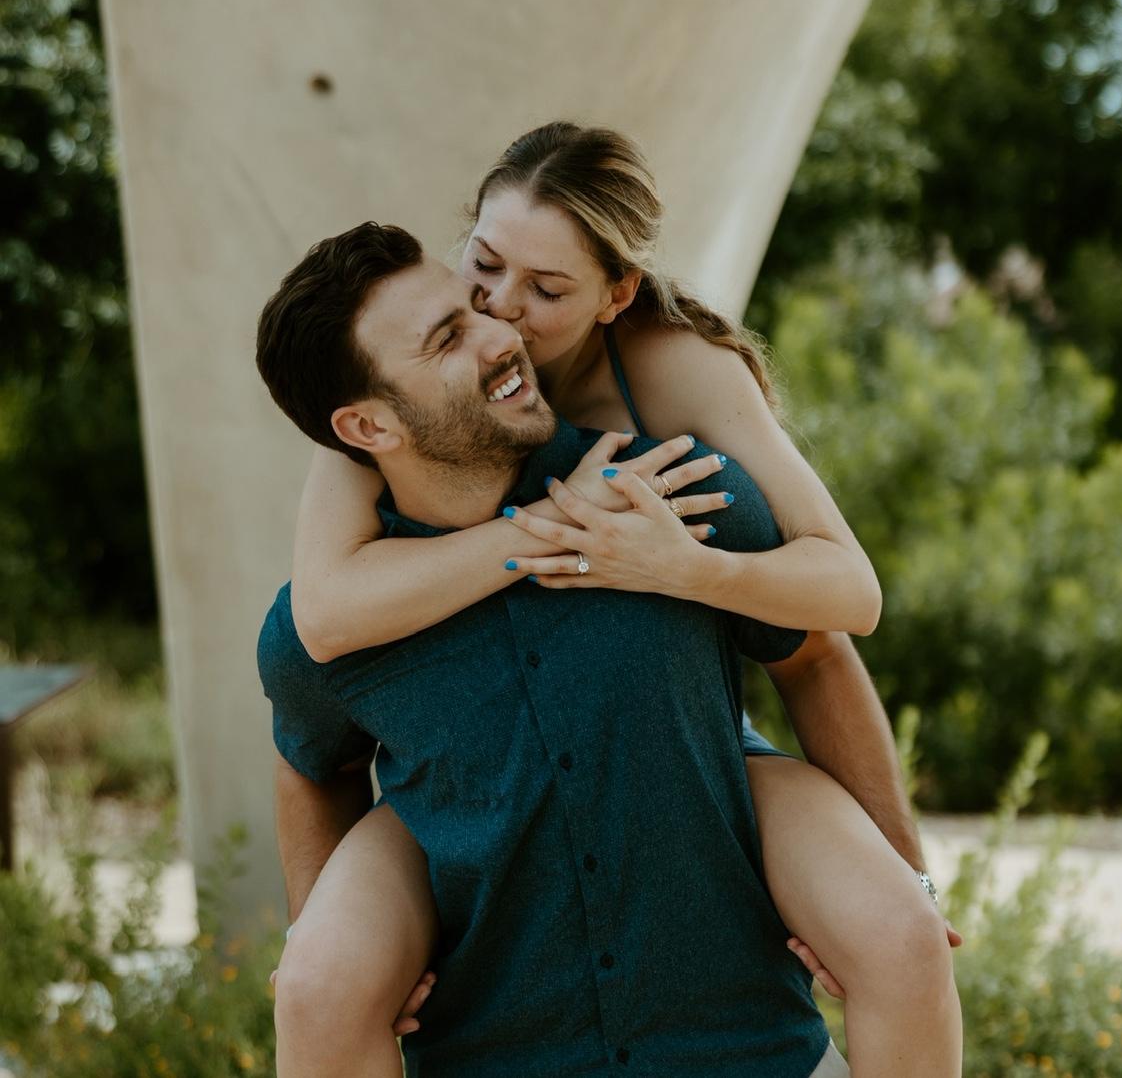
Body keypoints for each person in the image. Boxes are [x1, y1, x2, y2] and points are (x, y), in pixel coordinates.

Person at [280, 124, 962, 1077]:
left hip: (677, 741)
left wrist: (685, 569)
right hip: (469, 770)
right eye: (484, 267)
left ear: (617, 294)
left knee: (895, 932)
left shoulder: (675, 379)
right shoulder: (392, 401)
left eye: (548, 289)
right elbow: (319, 627)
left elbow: (837, 615)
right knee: (322, 974)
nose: (502, 312)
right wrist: (551, 530)